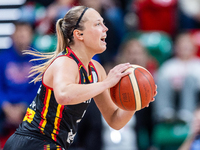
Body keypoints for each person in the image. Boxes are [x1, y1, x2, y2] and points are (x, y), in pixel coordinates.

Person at [3, 6, 156, 150]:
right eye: (98, 24)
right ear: (79, 34)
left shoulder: (96, 70)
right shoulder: (65, 61)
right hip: (33, 142)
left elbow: (115, 120)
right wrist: (107, 83)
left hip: (53, 144)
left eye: (104, 23)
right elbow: (64, 95)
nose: (106, 28)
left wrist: (136, 101)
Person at [0, 21, 40, 148]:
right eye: (19, 32)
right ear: (12, 36)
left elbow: (39, 89)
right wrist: (5, 105)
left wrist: (23, 106)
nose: (21, 36)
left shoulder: (39, 60)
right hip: (5, 106)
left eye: (25, 33)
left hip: (29, 106)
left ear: (31, 35)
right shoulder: (2, 58)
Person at [153, 32, 200, 124]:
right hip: (172, 97)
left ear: (193, 48)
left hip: (193, 99)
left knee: (190, 79)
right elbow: (159, 83)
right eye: (181, 46)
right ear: (176, 48)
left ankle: (187, 113)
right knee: (162, 81)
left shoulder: (197, 64)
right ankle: (165, 113)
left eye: (187, 46)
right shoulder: (169, 65)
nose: (184, 49)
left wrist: (184, 83)